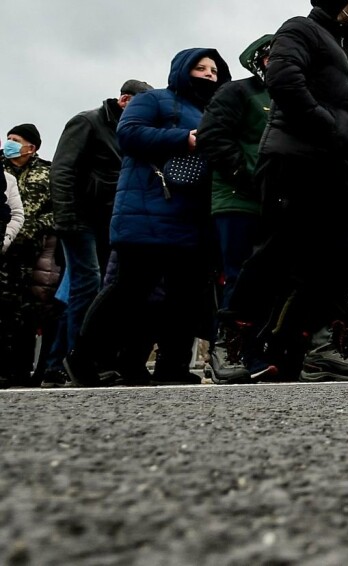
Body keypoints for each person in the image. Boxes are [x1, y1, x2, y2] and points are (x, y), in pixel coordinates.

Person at [227, 0, 348, 383]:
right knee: (278, 254)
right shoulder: (300, 30)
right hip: (294, 160)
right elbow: (284, 81)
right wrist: (329, 125)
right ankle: (234, 343)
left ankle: (306, 347)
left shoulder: (345, 55)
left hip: (333, 167)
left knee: (337, 263)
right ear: (340, 0)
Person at [66, 49, 232, 387]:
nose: (209, 74)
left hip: (192, 215)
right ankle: (82, 358)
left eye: (214, 69)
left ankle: (170, 366)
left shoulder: (214, 111)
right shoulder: (154, 100)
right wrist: (183, 139)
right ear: (182, 70)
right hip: (147, 211)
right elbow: (128, 134)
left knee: (184, 296)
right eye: (200, 67)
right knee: (128, 289)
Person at [46, 80, 152, 383]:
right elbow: (62, 169)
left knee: (100, 291)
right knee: (86, 284)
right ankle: (76, 361)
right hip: (80, 219)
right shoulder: (87, 122)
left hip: (110, 222)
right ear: (124, 100)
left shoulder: (130, 134)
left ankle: (62, 363)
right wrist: (66, 217)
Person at [196, 35, 274, 384]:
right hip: (236, 197)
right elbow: (213, 136)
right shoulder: (239, 92)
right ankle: (227, 350)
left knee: (266, 279)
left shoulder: (289, 98)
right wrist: (243, 174)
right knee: (238, 274)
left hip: (274, 201)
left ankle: (257, 351)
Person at [1, 125, 53, 385]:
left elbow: (58, 209)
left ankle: (19, 371)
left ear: (31, 147)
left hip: (30, 253)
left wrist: (35, 227)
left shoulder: (47, 172)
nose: (8, 143)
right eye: (8, 139)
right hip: (3, 251)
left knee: (25, 313)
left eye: (15, 140)